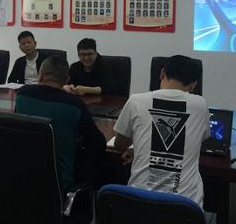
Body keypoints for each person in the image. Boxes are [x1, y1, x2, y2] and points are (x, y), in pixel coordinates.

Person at [113, 55, 209, 206]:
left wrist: (139, 149)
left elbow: (119, 145)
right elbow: (200, 140)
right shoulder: (200, 105)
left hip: (138, 203)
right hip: (184, 208)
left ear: (162, 73)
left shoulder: (136, 101)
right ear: (193, 84)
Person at [15, 55, 106, 190]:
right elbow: (98, 144)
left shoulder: (23, 94)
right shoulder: (75, 104)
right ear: (67, 80)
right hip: (58, 183)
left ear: (41, 75)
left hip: (21, 176)